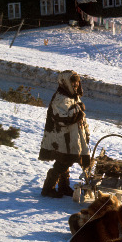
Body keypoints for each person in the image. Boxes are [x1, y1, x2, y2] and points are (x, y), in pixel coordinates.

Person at [38, 70, 90, 198]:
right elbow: (63, 118)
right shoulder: (61, 98)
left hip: (71, 136)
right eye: (73, 81)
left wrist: (86, 132)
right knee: (63, 162)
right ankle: (48, 188)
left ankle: (63, 186)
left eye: (77, 81)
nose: (76, 84)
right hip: (62, 137)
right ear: (65, 82)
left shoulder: (72, 96)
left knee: (66, 161)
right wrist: (79, 109)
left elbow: (80, 118)